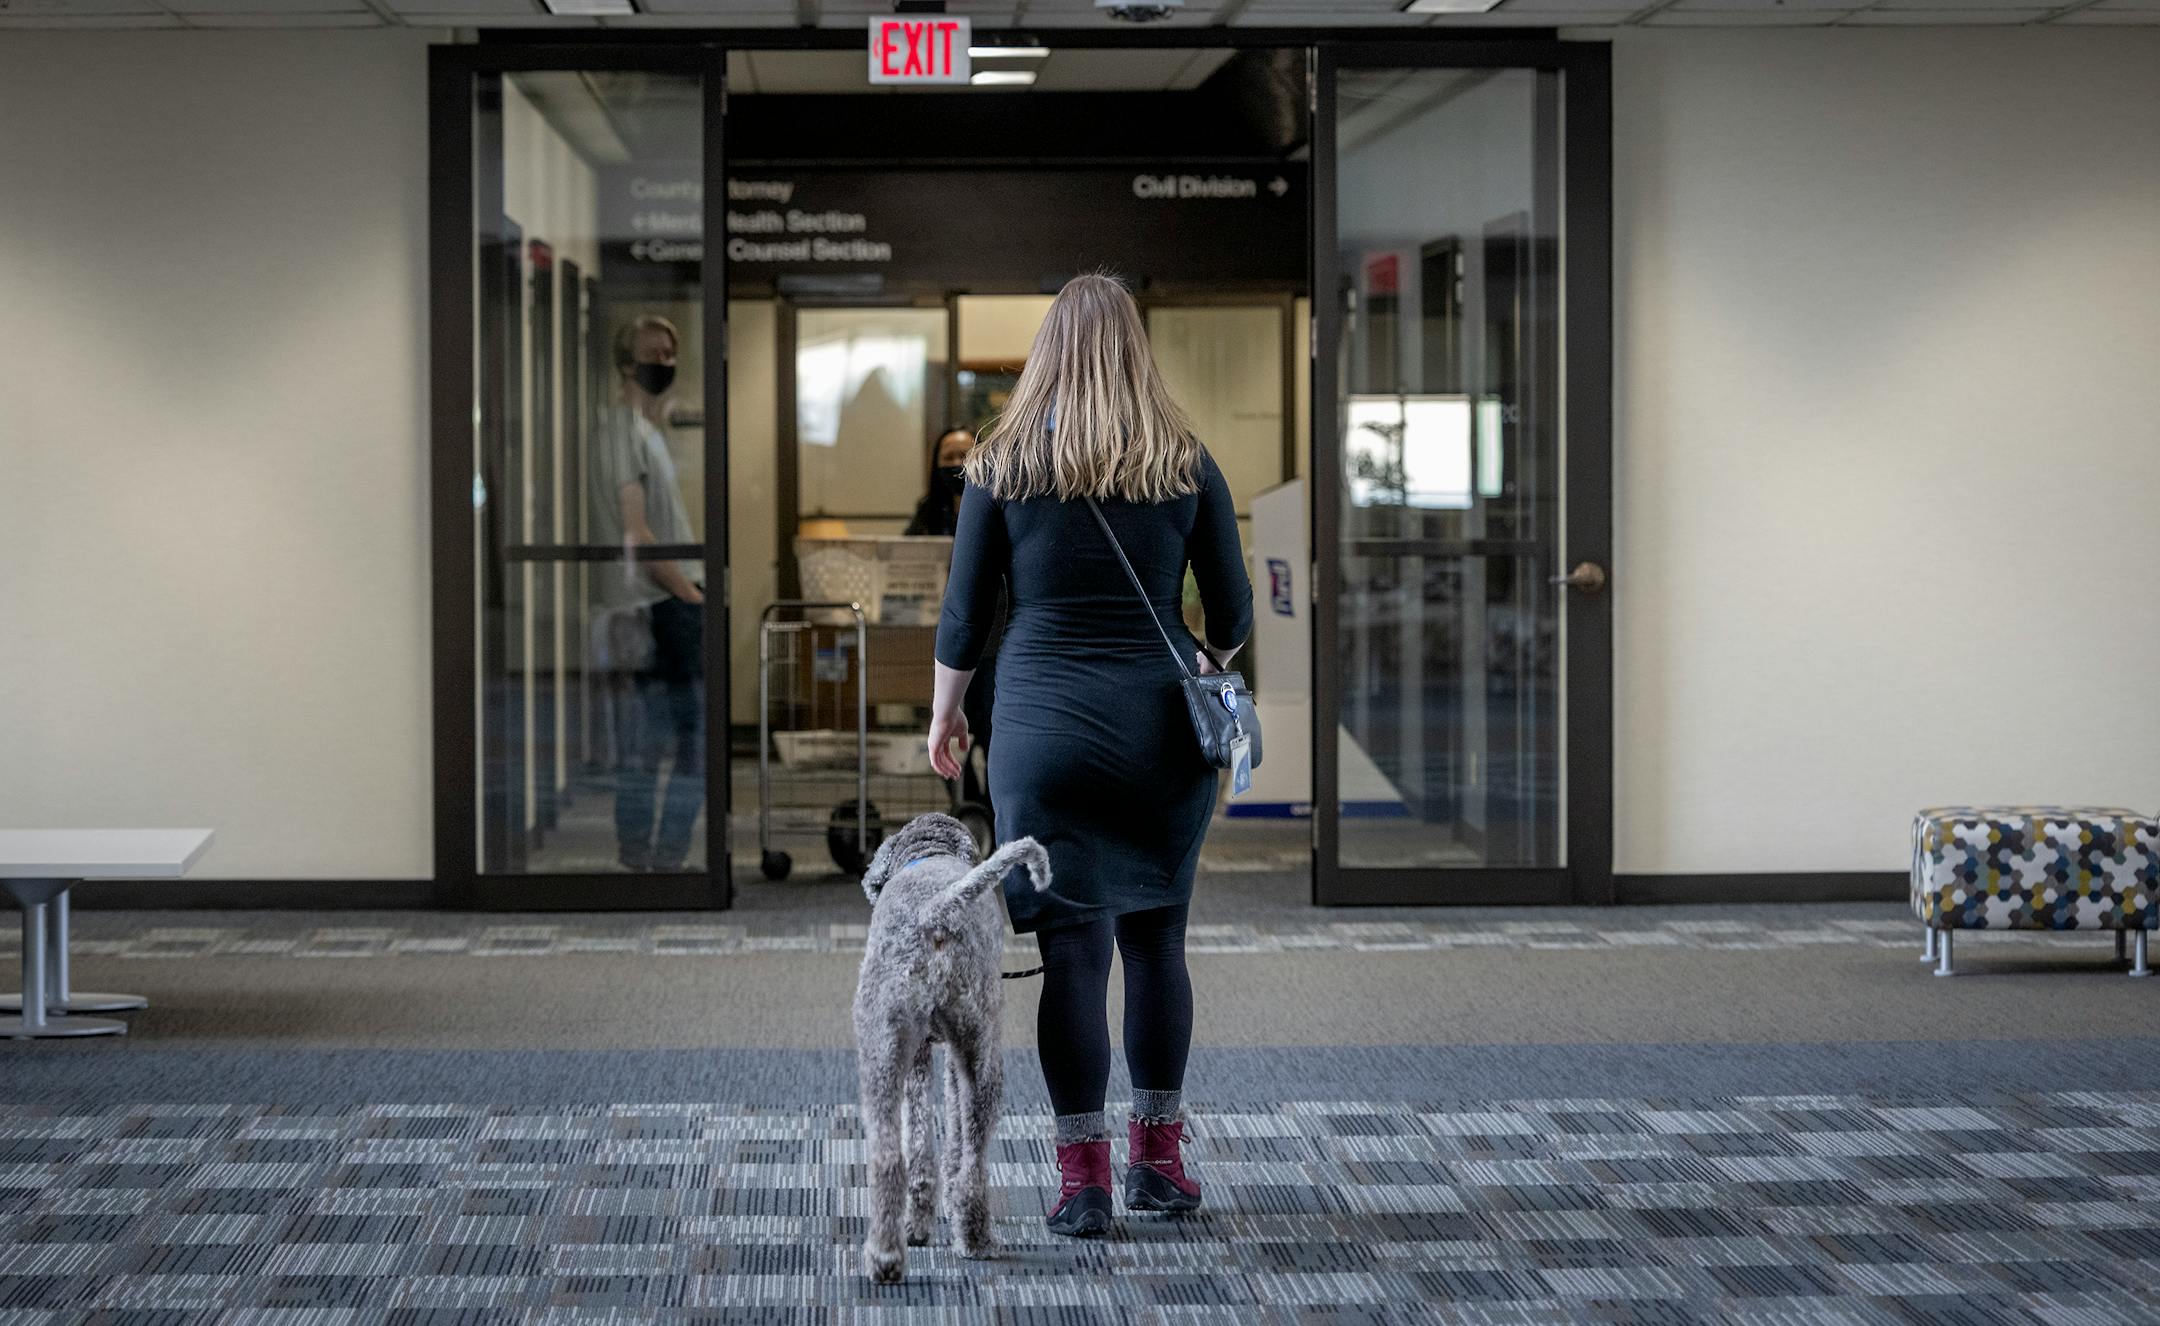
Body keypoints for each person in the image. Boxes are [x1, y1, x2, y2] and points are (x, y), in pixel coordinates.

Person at [929, 273, 1252, 1238]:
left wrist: (946, 716)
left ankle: (1084, 1183)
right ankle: (1161, 1165)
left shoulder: (999, 465)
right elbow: (1232, 613)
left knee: (1074, 956)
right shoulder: (1183, 461)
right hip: (1160, 735)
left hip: (1042, 731)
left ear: (1047, 353)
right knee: (1157, 944)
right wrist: (1201, 656)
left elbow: (965, 611)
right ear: (1134, 350)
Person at [589, 313, 704, 872]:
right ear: (623, 362)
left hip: (664, 602)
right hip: (654, 606)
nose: (662, 363)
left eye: (669, 352)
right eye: (650, 353)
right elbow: (637, 533)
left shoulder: (644, 429)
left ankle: (658, 855)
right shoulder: (619, 429)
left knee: (671, 739)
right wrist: (689, 594)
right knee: (670, 740)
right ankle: (652, 858)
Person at [908, 428, 999, 813]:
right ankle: (969, 807)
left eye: (965, 455)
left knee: (990, 729)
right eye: (948, 458)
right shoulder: (928, 514)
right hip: (941, 639)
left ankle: (992, 815)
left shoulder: (995, 502)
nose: (957, 465)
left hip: (992, 639)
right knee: (945, 725)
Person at [904, 426, 975, 537]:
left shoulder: (995, 508)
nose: (956, 463)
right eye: (948, 457)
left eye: (964, 455)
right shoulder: (927, 509)